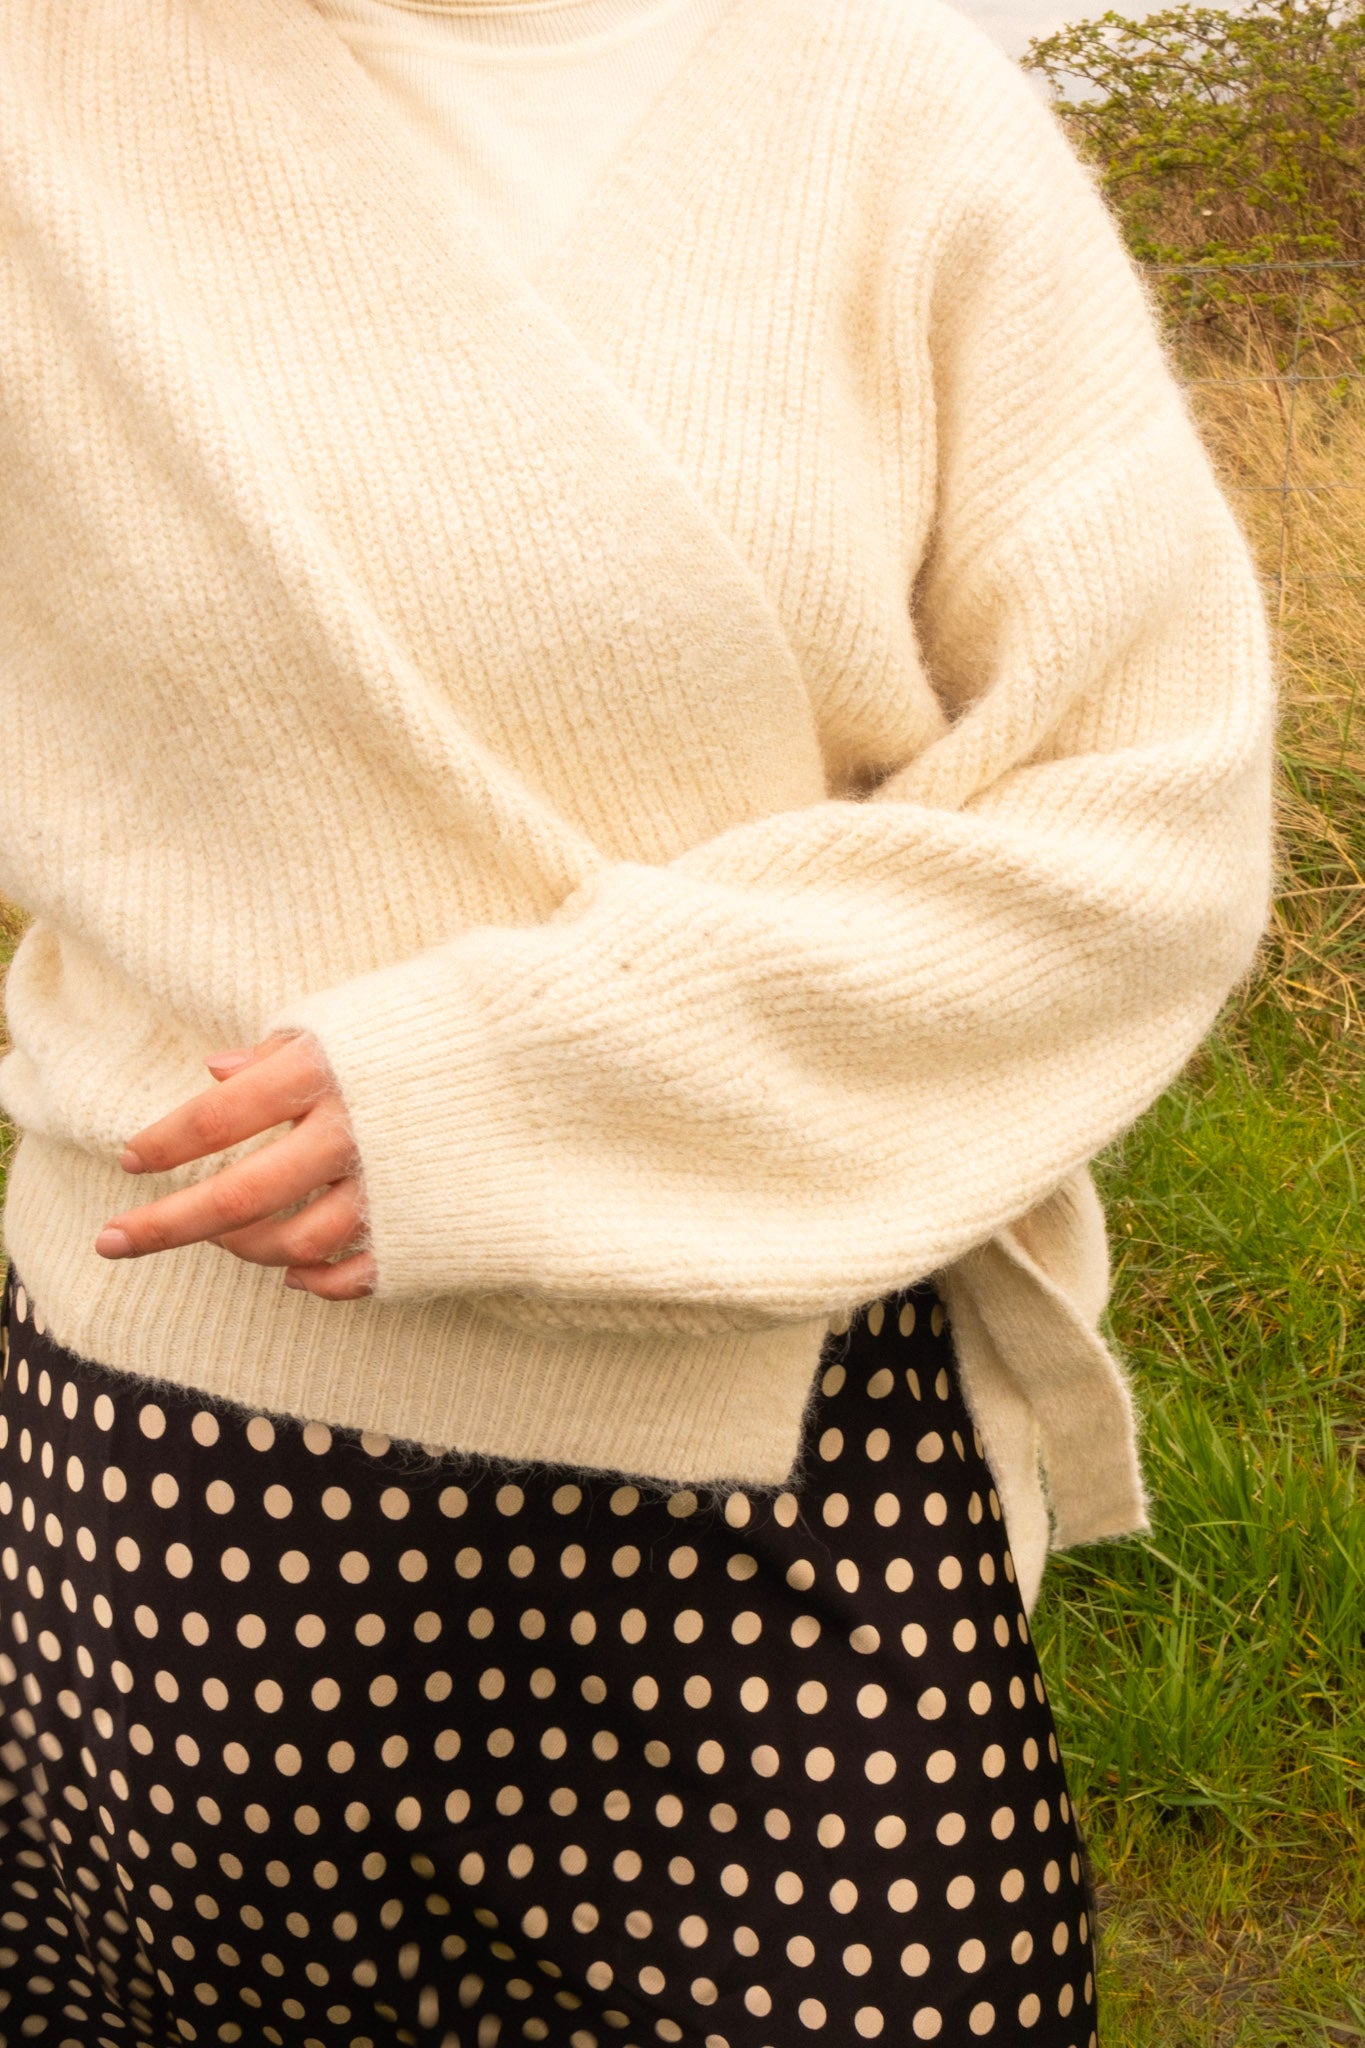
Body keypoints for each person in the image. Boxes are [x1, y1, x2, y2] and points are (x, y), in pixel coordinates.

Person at [0, 0, 1274, 2041]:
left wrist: (522, 1085)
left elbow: (1149, 814)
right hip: (187, 1487)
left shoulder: (893, 112)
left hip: (798, 1453)